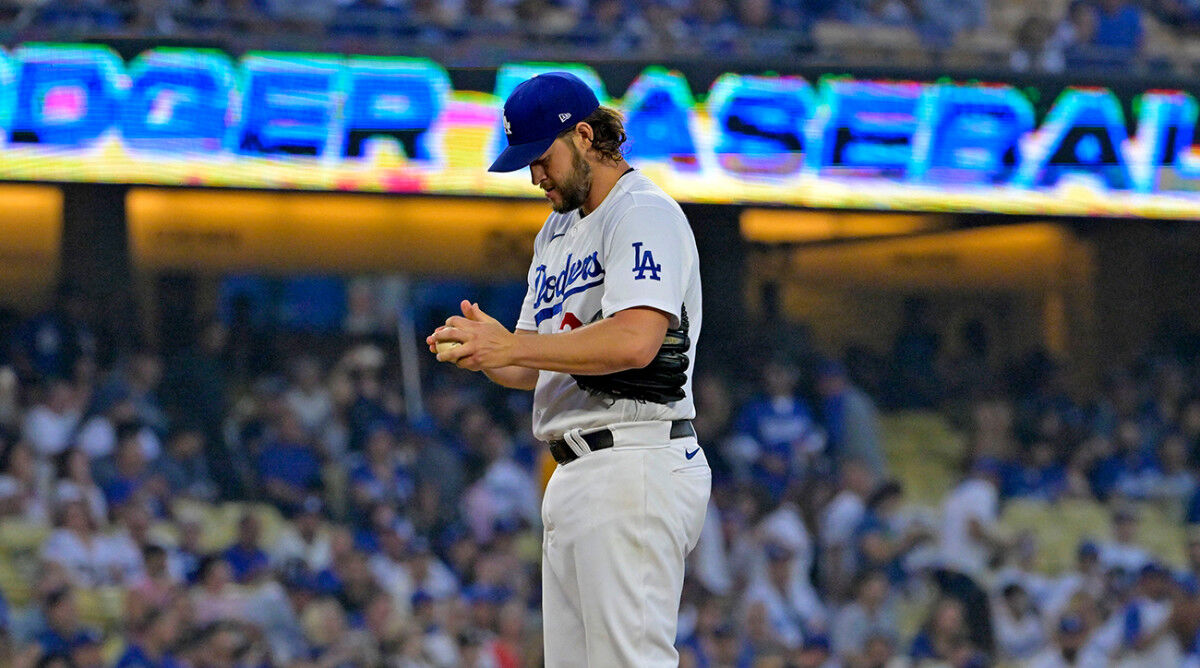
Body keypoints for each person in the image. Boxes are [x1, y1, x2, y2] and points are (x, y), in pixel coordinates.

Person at [427, 71, 709, 667]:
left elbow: (636, 340)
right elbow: (529, 363)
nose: (534, 176)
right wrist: (486, 350)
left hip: (634, 458)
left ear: (585, 136)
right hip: (575, 469)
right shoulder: (556, 231)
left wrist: (514, 348)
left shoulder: (643, 212)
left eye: (541, 157)